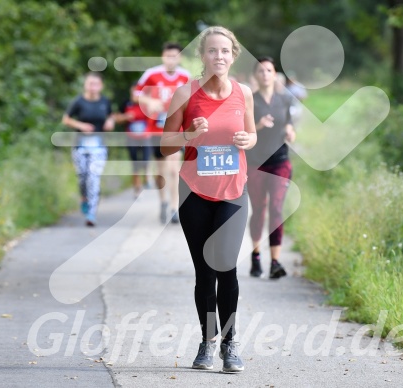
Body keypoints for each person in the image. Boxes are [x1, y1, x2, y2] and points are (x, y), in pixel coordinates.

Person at [160, 26, 257, 373]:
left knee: (226, 267)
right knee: (204, 272)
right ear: (202, 56)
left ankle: (230, 344)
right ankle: (207, 342)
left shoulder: (243, 93)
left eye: (226, 51)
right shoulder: (185, 93)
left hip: (233, 192)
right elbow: (165, 145)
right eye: (213, 50)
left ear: (234, 56)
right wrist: (189, 134)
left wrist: (248, 140)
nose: (219, 56)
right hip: (194, 192)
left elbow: (252, 134)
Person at [246, 56, 296, 279]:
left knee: (276, 209)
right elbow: (242, 132)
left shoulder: (285, 100)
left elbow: (289, 122)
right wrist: (258, 125)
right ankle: (256, 255)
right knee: (259, 209)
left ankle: (275, 261)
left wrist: (290, 131)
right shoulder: (250, 101)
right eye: (261, 71)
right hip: (255, 162)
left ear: (274, 74)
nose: (265, 74)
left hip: (280, 160)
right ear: (255, 76)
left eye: (268, 70)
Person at [134, 42, 191, 223]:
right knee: (161, 172)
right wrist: (149, 102)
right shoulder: (152, 74)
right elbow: (136, 94)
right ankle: (163, 202)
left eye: (175, 56)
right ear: (162, 56)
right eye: (168, 55)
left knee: (174, 169)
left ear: (180, 57)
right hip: (156, 130)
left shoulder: (185, 76)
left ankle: (175, 208)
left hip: (176, 130)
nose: (171, 59)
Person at [62, 72, 114, 227]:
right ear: (85, 85)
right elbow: (66, 119)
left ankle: (91, 213)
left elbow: (111, 116)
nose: (93, 87)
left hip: (99, 146)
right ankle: (84, 197)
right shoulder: (79, 101)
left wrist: (110, 122)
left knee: (94, 176)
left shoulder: (105, 101)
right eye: (90, 84)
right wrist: (81, 126)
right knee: (82, 176)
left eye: (96, 84)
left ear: (101, 86)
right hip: (80, 146)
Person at [113, 83, 152, 198]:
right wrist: (126, 117)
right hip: (131, 138)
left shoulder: (146, 104)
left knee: (145, 161)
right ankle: (137, 189)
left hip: (145, 138)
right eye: (134, 92)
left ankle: (147, 177)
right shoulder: (126, 104)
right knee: (135, 165)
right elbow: (117, 118)